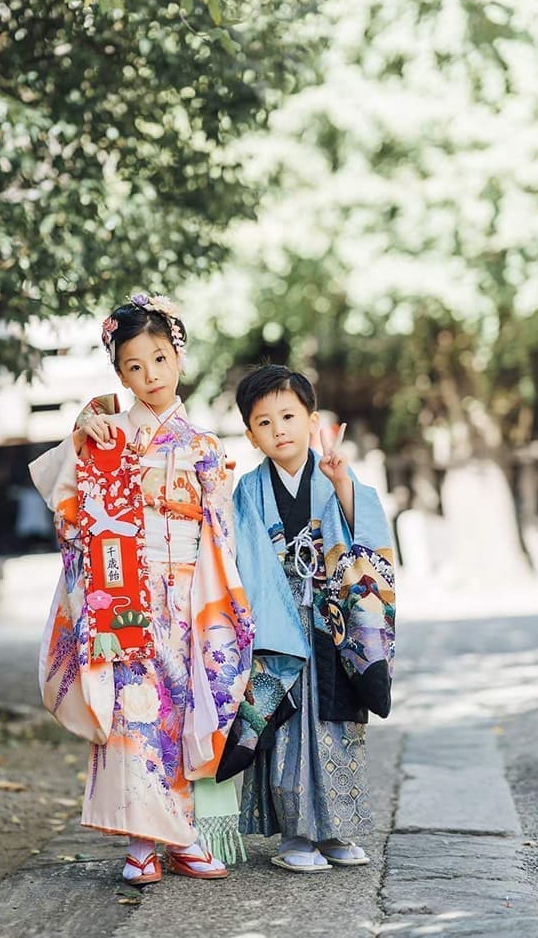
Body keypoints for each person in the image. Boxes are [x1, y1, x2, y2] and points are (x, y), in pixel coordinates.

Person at [29, 294, 253, 885]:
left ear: (178, 356)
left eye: (159, 359)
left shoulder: (203, 445)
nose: (150, 375)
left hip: (186, 593)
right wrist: (82, 439)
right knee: (131, 711)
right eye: (134, 366)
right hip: (123, 591)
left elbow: (221, 535)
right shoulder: (108, 433)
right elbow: (68, 506)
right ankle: (141, 845)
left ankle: (179, 836)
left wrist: (214, 603)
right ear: (120, 374)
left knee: (180, 709)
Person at [226, 364, 395, 872]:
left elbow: (365, 537)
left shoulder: (334, 473)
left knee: (337, 722)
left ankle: (336, 832)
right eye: (263, 422)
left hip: (332, 621)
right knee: (284, 724)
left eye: (288, 416)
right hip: (277, 624)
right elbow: (242, 554)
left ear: (312, 421)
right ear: (251, 435)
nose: (278, 429)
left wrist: (342, 482)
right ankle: (296, 836)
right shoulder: (249, 489)